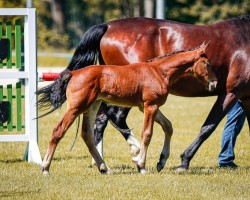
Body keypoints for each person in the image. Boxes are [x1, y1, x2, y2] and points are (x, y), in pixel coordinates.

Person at [218, 101, 245, 168]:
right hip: (240, 94)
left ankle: (225, 159)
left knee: (235, 125)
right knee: (233, 124)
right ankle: (225, 160)